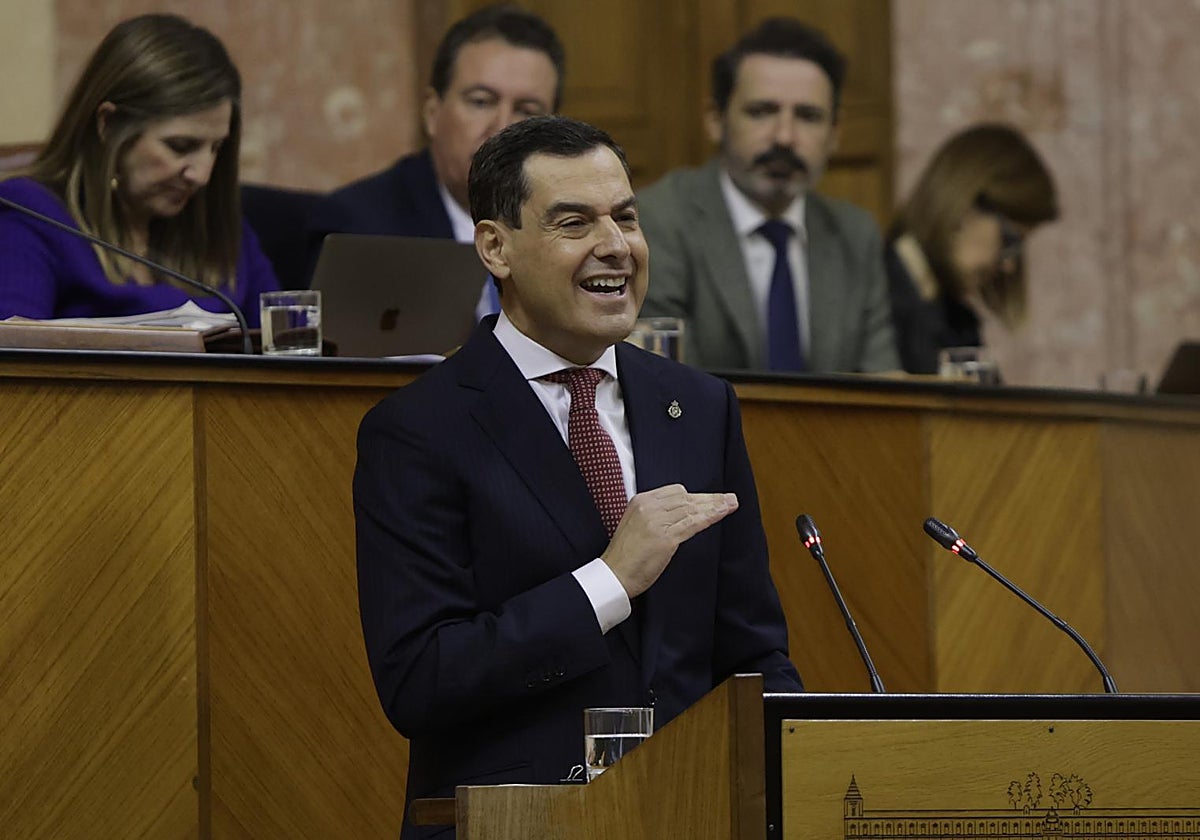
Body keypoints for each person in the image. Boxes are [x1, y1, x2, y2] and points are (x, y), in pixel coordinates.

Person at [354, 115, 802, 838]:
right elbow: (422, 679)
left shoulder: (701, 407)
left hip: (692, 815)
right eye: (574, 222)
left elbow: (751, 654)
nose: (616, 246)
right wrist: (608, 582)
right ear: (496, 247)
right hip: (513, 823)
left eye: (626, 217)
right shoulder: (419, 429)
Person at [637, 18, 899, 373]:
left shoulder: (855, 234)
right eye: (762, 112)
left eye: (808, 116)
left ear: (835, 133)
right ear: (716, 120)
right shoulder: (660, 221)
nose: (784, 137)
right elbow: (668, 383)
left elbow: (880, 389)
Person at [0, 14, 277, 323]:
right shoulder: (31, 215)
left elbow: (280, 354)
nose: (202, 175)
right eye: (180, 146)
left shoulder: (217, 225)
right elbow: (14, 355)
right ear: (108, 124)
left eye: (216, 148)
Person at [306, 4, 564, 316]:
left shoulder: (567, 225)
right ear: (432, 113)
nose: (501, 128)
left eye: (527, 111)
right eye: (481, 102)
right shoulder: (360, 228)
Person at [886, 123, 1059, 374]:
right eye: (1009, 240)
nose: (1009, 265)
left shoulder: (955, 318)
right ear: (964, 204)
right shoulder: (874, 301)